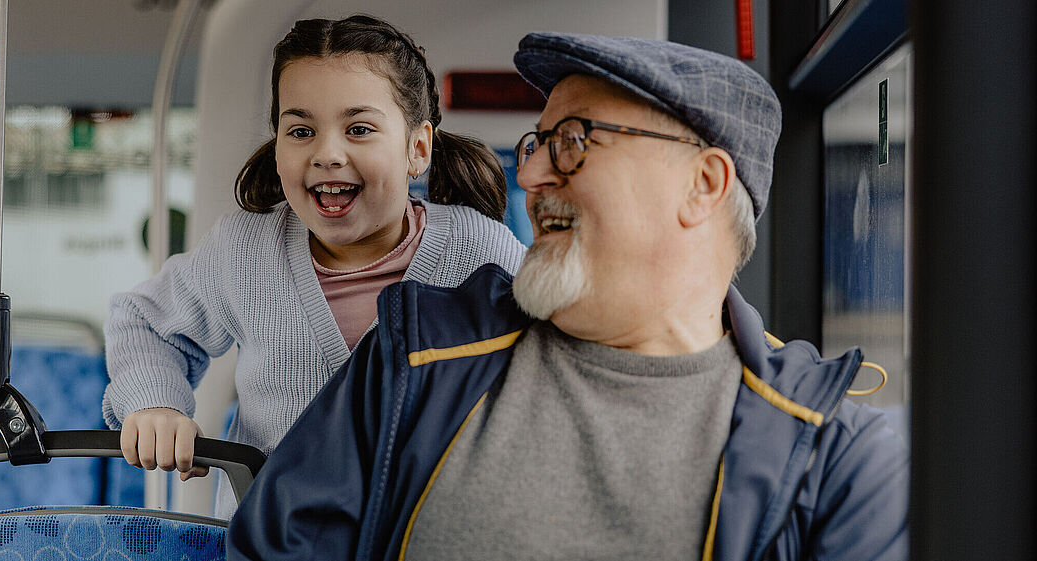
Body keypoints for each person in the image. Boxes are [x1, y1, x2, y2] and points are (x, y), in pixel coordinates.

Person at [228, 33, 908, 560]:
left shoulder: (834, 459)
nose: (528, 172)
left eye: (573, 142)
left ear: (703, 184)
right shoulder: (416, 352)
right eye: (537, 141)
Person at [101, 14, 526, 515]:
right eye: (301, 130)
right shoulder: (247, 248)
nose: (327, 153)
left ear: (417, 149)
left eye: (360, 129)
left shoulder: (480, 253)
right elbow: (146, 321)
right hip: (270, 540)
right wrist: (157, 403)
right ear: (277, 147)